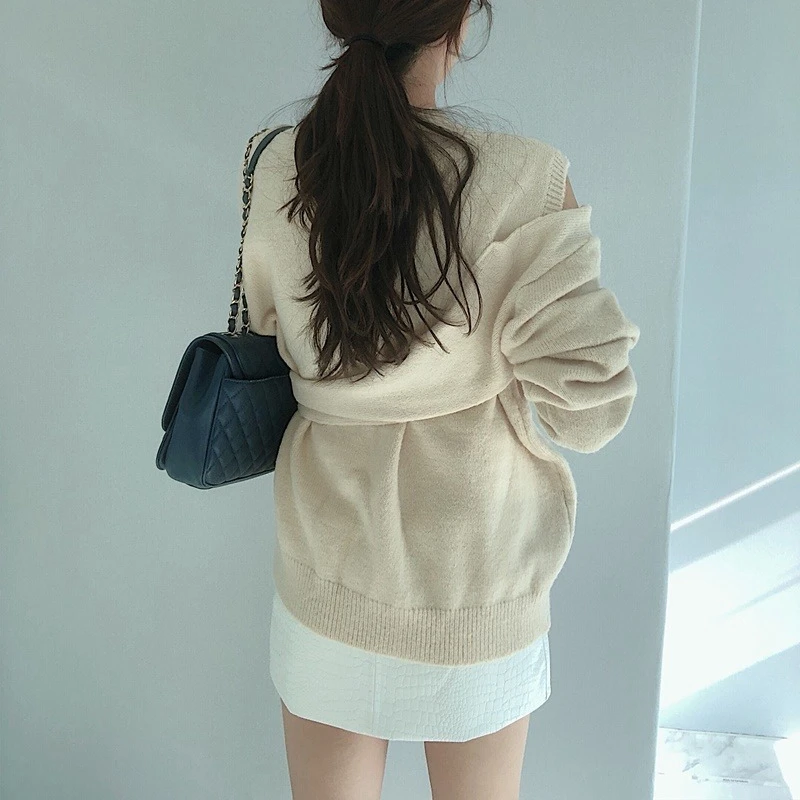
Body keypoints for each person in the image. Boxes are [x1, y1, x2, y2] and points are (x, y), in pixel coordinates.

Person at [238, 2, 641, 798]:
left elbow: (269, 331)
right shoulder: (525, 179)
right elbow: (589, 414)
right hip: (475, 587)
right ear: (458, 23)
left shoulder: (280, 163)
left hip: (327, 573)